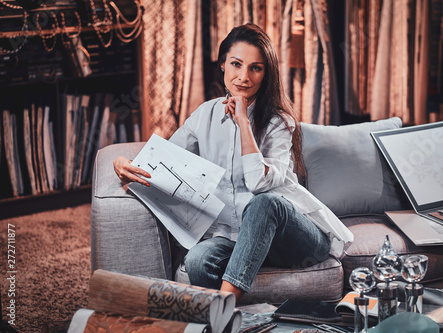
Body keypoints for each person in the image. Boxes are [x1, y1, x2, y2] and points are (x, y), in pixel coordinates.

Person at [113, 23, 353, 301]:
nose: (244, 77)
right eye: (236, 64)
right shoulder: (205, 115)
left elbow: (258, 182)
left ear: (266, 74)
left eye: (256, 68)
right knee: (198, 260)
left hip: (294, 242)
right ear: (223, 65)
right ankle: (234, 319)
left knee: (264, 203)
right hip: (234, 241)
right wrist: (123, 162)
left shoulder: (279, 122)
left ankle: (223, 309)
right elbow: (165, 159)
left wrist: (242, 123)